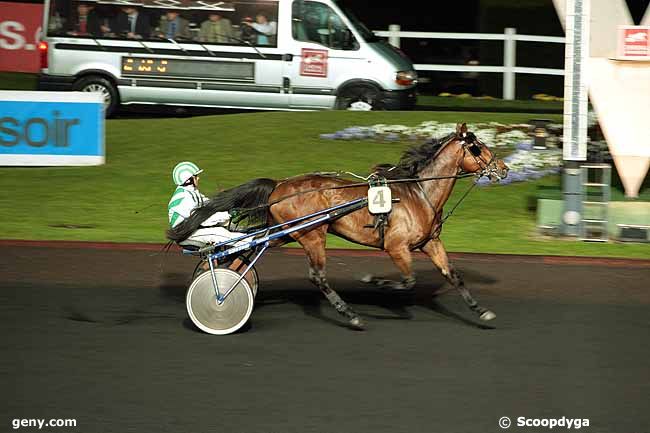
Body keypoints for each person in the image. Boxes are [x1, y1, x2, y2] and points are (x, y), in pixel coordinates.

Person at [168, 162, 246, 249]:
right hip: (185, 235)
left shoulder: (192, 192)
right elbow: (204, 220)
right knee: (217, 233)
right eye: (195, 176)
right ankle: (249, 241)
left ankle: (246, 237)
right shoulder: (183, 199)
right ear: (188, 180)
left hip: (194, 229)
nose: (198, 178)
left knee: (230, 226)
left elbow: (210, 205)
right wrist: (228, 214)